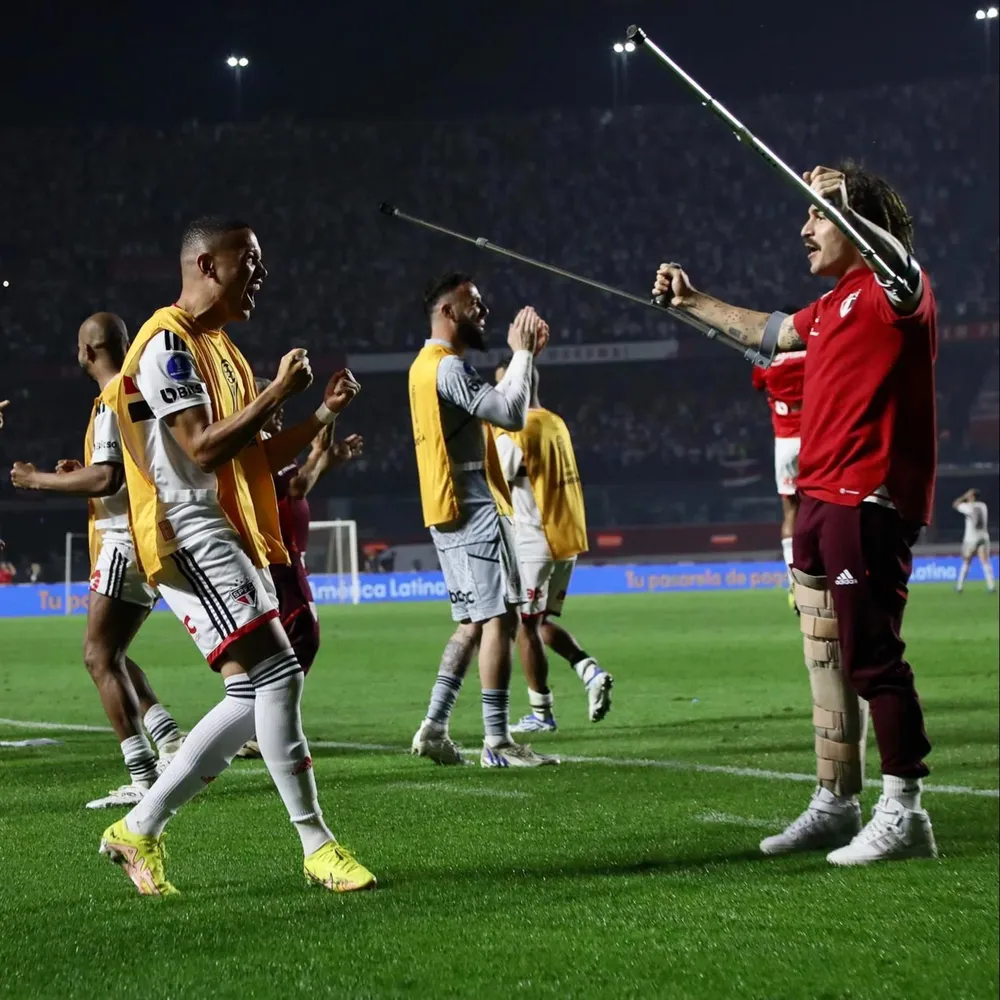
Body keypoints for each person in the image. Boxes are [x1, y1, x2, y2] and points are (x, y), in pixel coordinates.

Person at [652, 162, 938, 865]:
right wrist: (691, 301)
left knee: (873, 659)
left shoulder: (896, 289)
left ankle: (905, 812)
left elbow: (901, 264)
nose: (804, 228)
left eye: (817, 215)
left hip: (865, 498)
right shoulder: (835, 302)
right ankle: (836, 800)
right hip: (817, 495)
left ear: (852, 220)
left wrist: (845, 208)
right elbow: (772, 332)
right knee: (825, 656)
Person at [97, 216, 375, 895]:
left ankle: (139, 827)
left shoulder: (224, 351)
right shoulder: (166, 343)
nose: (261, 272)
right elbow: (200, 449)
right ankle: (316, 844)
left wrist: (317, 416)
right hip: (185, 529)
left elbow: (253, 456)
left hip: (226, 528)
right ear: (206, 265)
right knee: (280, 672)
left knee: (252, 694)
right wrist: (277, 392)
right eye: (248, 259)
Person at [10, 313, 183, 807]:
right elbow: (119, 470)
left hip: (123, 541)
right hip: (142, 535)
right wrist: (78, 472)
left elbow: (107, 479)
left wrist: (38, 480)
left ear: (87, 351)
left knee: (98, 656)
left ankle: (144, 778)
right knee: (113, 653)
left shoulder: (113, 398)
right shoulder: (136, 391)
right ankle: (169, 740)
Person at [408, 272, 557, 769]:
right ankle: (497, 742)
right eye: (474, 302)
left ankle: (434, 726)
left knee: (472, 622)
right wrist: (523, 353)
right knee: (501, 618)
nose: (484, 310)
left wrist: (524, 359)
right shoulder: (448, 368)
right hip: (472, 504)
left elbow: (496, 409)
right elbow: (511, 415)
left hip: (446, 505)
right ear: (448, 311)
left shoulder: (423, 367)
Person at [235, 379, 363, 759]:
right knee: (303, 633)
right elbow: (298, 484)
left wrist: (328, 457)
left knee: (279, 644)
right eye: (275, 409)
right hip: (281, 561)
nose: (280, 416)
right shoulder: (256, 449)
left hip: (280, 559)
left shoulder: (265, 448)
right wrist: (323, 443)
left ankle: (253, 725)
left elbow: (299, 483)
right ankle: (261, 727)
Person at [493, 360, 613, 732]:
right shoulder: (555, 422)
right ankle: (589, 671)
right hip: (566, 537)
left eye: (502, 386)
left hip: (535, 539)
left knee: (523, 626)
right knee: (539, 620)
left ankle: (541, 714)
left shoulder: (514, 430)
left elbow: (495, 479)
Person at [750, 326, 805, 608]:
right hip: (815, 439)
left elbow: (757, 384)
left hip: (785, 444)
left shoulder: (768, 361)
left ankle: (794, 581)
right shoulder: (815, 355)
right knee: (828, 505)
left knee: (790, 511)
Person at [952, 489, 995, 593]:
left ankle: (959, 586)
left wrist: (964, 496)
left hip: (971, 538)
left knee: (966, 561)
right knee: (985, 561)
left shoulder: (968, 507)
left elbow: (955, 504)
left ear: (971, 496)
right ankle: (991, 586)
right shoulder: (983, 506)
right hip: (983, 537)